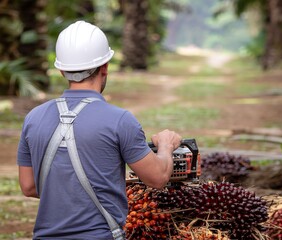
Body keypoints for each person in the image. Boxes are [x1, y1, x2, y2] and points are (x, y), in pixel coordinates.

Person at [17, 20, 182, 239]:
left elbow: (29, 186)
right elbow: (158, 177)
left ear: (61, 70)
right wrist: (165, 146)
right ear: (105, 67)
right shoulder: (120, 120)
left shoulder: (33, 118)